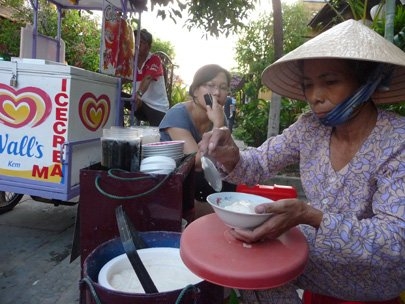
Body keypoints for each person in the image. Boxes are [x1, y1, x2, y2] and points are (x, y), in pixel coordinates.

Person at [198, 20, 405, 303]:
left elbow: (395, 241)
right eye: (308, 85)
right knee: (240, 257)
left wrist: (311, 216)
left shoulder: (398, 141)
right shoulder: (309, 128)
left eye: (330, 82)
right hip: (312, 258)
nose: (315, 97)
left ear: (367, 82)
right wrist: (228, 153)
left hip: (371, 279)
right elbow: (257, 164)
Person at [159, 64, 237, 218]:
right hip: (170, 180)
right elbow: (198, 161)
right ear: (195, 90)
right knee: (204, 178)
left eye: (223, 87)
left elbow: (227, 158)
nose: (217, 93)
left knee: (230, 179)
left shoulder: (218, 117)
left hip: (196, 180)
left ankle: (218, 222)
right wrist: (218, 125)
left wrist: (218, 124)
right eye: (210, 85)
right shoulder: (177, 115)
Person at [130, 28, 169, 126]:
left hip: (157, 107)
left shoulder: (154, 59)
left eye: (141, 42)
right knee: (118, 97)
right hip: (140, 104)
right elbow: (124, 78)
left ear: (149, 46)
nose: (137, 45)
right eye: (135, 42)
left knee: (159, 135)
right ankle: (119, 132)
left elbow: (148, 78)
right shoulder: (131, 61)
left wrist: (138, 94)